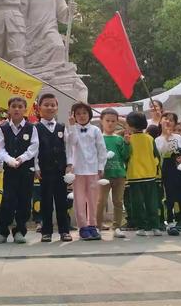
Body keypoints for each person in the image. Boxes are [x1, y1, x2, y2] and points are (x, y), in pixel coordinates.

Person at [0, 97, 39, 244]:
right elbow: (0, 148)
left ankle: (20, 230)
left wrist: (22, 158)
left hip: (26, 170)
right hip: (10, 170)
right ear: (9, 109)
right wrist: (10, 160)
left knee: (24, 200)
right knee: (8, 200)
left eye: (20, 106)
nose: (17, 109)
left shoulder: (32, 128)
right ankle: (3, 231)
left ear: (25, 109)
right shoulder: (3, 128)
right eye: (13, 106)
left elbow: (34, 147)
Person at [34, 93, 72, 242]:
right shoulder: (35, 128)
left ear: (57, 108)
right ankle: (46, 231)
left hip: (61, 170)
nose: (50, 107)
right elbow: (34, 150)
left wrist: (69, 165)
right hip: (44, 171)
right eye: (46, 104)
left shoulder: (62, 127)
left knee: (62, 201)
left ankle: (64, 230)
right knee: (46, 201)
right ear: (39, 108)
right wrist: (36, 167)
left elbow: (68, 147)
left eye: (53, 105)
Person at [66, 102, 106, 241]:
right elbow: (71, 144)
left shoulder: (95, 130)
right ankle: (82, 227)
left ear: (89, 114)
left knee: (93, 199)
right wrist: (71, 126)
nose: (81, 116)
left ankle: (92, 225)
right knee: (79, 199)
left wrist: (101, 166)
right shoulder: (72, 129)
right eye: (78, 113)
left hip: (93, 169)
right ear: (73, 115)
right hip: (77, 170)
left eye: (84, 113)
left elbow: (101, 149)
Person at [156, 112, 181, 236]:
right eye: (165, 119)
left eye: (171, 120)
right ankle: (170, 223)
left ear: (175, 123)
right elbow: (161, 152)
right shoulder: (158, 139)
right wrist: (167, 138)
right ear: (160, 122)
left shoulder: (179, 137)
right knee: (170, 197)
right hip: (168, 169)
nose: (168, 122)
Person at [125, 112, 161, 237]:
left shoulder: (129, 139)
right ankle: (155, 226)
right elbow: (157, 156)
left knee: (137, 204)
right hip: (150, 176)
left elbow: (126, 156)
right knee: (152, 202)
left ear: (131, 125)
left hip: (134, 177)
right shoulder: (150, 138)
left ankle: (141, 227)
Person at [96, 108, 130, 239]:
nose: (110, 123)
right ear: (101, 121)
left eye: (113, 121)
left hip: (119, 174)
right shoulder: (98, 138)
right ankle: (97, 227)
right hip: (103, 175)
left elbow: (125, 156)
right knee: (101, 201)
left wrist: (127, 144)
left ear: (117, 122)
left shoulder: (120, 139)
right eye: (107, 120)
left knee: (118, 201)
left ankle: (117, 227)